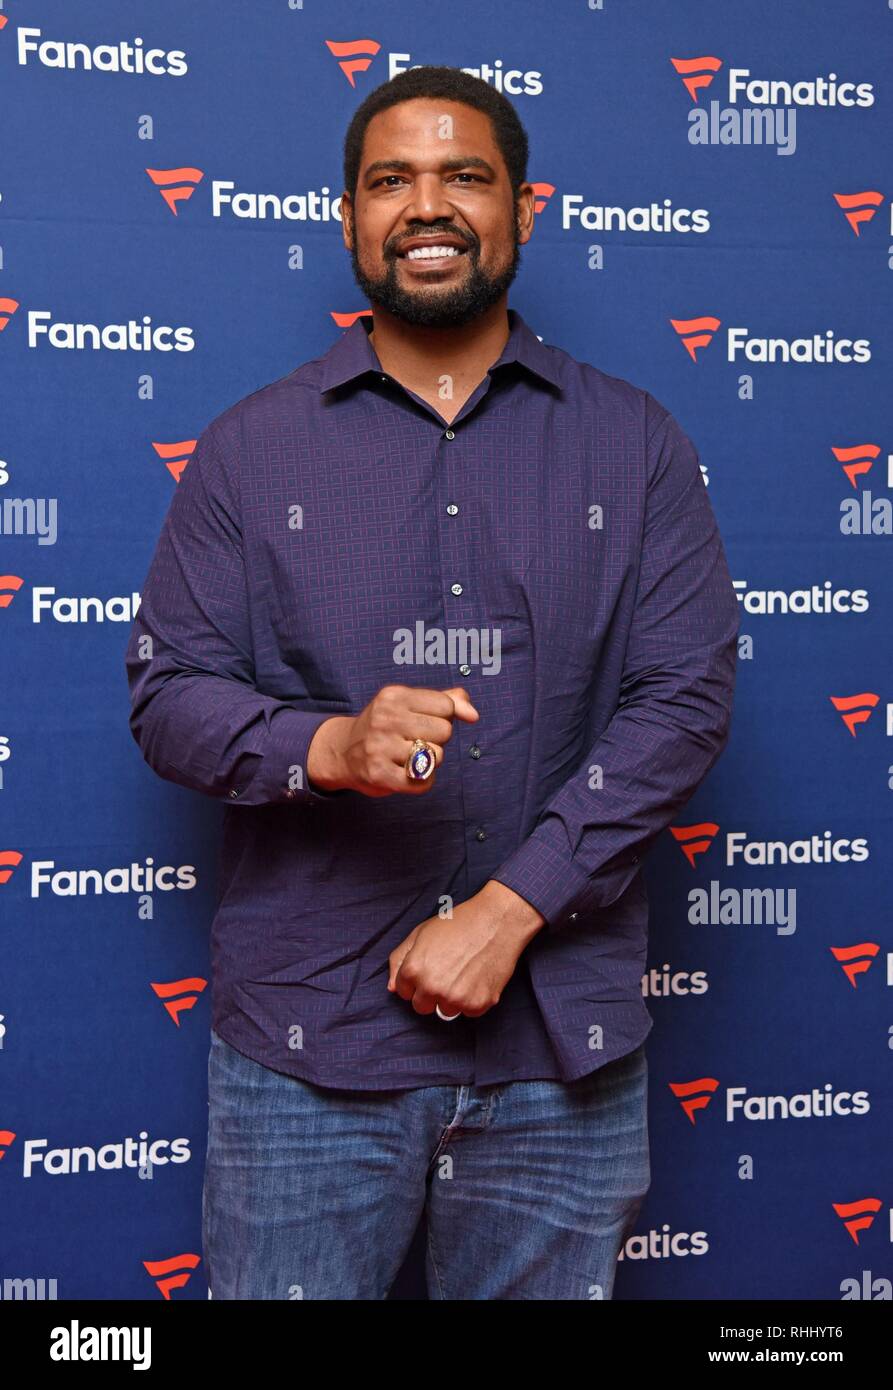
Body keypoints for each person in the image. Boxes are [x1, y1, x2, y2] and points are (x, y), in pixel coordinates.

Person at [125, 64, 739, 1300]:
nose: (428, 205)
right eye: (390, 179)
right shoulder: (250, 449)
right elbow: (168, 691)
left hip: (559, 1055)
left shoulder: (636, 441)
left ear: (525, 209)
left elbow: (680, 701)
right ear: (347, 216)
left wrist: (510, 909)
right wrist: (325, 746)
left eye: (465, 175)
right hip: (307, 1056)